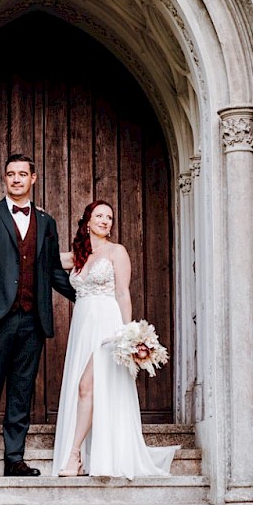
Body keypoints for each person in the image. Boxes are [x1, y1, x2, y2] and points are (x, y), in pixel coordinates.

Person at [0, 153, 74, 478]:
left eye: (23, 174)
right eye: (11, 174)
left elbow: (52, 270)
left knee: (22, 391)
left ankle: (14, 459)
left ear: (33, 178)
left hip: (32, 321)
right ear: (5, 179)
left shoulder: (46, 222)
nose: (17, 179)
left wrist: (86, 297)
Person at [51, 199, 177, 479]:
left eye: (109, 217)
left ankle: (74, 456)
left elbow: (122, 293)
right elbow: (45, 258)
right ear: (87, 221)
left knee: (87, 386)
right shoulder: (78, 256)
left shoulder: (116, 252)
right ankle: (84, 457)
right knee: (84, 390)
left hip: (108, 328)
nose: (105, 221)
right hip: (83, 327)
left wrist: (127, 336)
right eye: (99, 216)